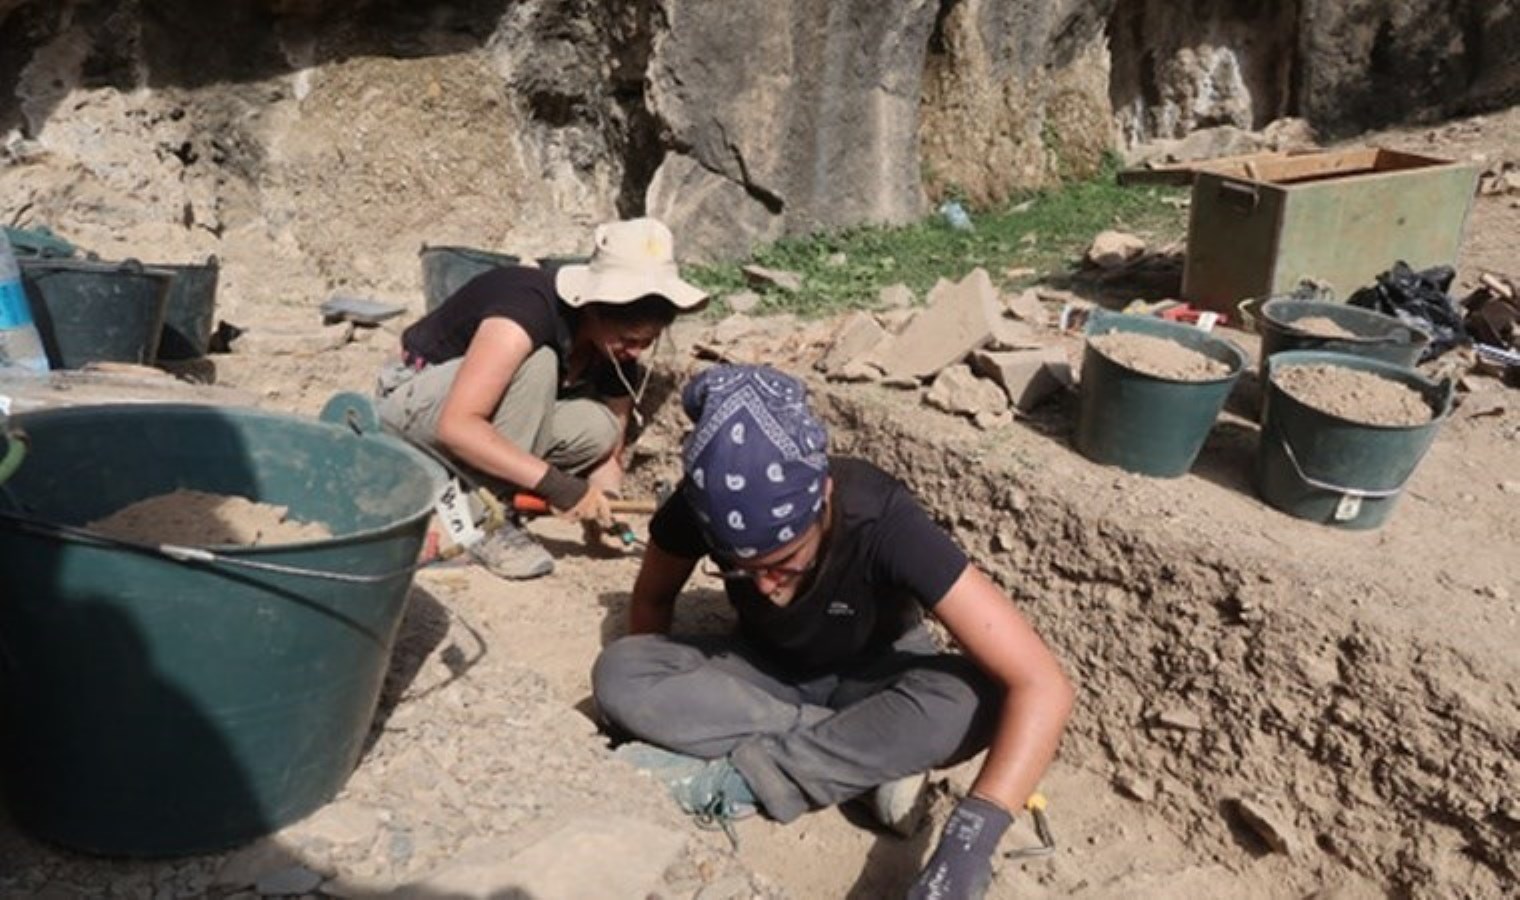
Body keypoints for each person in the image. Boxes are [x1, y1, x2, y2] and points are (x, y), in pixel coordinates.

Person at [592, 364, 1075, 900]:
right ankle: (862, 763)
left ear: (823, 497)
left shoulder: (882, 517)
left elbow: (1042, 684)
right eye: (738, 569)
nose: (767, 587)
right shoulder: (697, 503)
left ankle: (745, 779)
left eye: (785, 563)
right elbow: (654, 598)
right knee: (622, 670)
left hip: (877, 675)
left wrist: (966, 847)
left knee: (971, 696)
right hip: (764, 672)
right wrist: (640, 719)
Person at [377, 218, 707, 579]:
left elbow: (609, 451)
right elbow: (456, 425)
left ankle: (466, 483)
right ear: (594, 308)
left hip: (477, 421)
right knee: (539, 362)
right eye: (628, 340)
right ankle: (484, 519)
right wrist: (560, 487)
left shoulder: (614, 350)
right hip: (413, 404)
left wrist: (605, 505)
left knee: (599, 427)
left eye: (647, 341)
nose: (635, 351)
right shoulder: (524, 311)